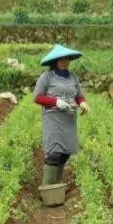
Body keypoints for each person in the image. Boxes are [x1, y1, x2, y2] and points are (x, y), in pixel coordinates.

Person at [33, 44, 90, 185]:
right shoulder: (46, 77)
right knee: (54, 153)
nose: (65, 62)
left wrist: (82, 103)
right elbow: (37, 97)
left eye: (67, 59)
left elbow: (79, 96)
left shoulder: (73, 77)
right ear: (55, 61)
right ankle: (47, 187)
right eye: (62, 59)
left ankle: (56, 183)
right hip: (53, 118)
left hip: (69, 119)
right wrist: (55, 101)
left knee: (65, 152)